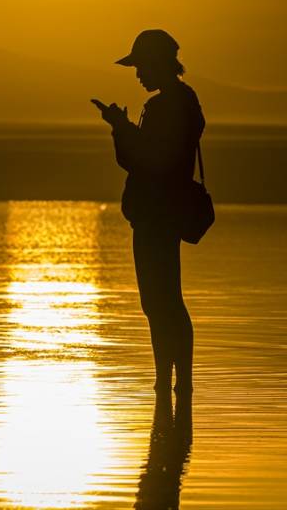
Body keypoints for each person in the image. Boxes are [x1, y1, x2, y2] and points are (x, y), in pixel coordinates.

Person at [92, 29, 205, 396]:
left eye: (141, 66)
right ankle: (173, 384)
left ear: (159, 64)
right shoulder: (183, 102)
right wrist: (124, 129)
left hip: (157, 214)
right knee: (162, 299)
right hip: (162, 213)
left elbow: (147, 160)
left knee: (161, 300)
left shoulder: (166, 107)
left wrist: (120, 128)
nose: (138, 74)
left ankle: (173, 384)